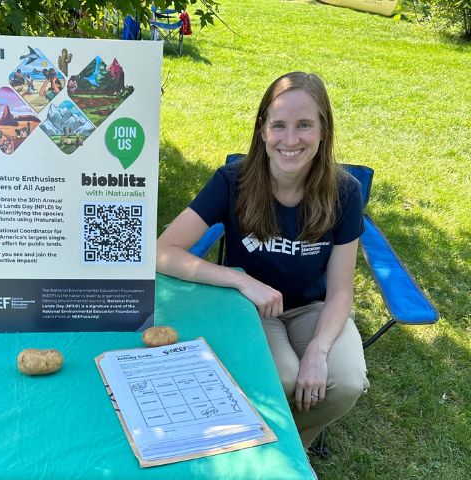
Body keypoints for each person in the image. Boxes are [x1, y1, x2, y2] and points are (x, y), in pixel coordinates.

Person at [156, 71, 369, 448]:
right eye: (279, 125)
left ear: (323, 130)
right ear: (262, 130)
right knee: (284, 378)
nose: (291, 140)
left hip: (313, 308)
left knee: (346, 381)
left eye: (305, 125)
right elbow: (162, 252)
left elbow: (340, 291)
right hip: (252, 306)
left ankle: (291, 449)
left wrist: (319, 350)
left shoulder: (344, 192)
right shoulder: (233, 181)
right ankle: (273, 448)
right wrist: (241, 280)